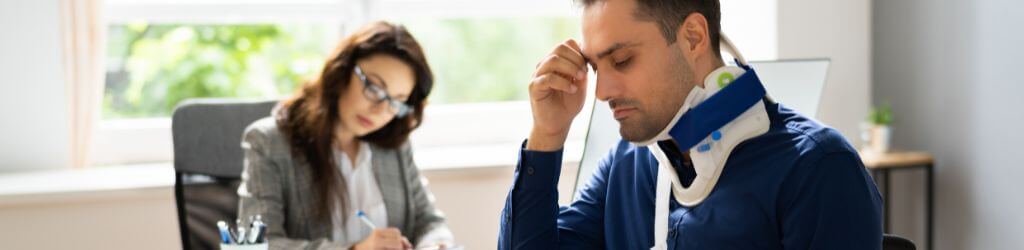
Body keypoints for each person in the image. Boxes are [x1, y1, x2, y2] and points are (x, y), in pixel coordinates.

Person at [498, 0, 883, 249]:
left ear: (694, 36)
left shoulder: (819, 169)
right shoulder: (627, 163)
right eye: (597, 67)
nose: (602, 92)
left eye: (623, 60)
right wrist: (547, 135)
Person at [238, 21, 453, 250]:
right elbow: (259, 244)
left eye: (395, 102)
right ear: (342, 71)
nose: (380, 110)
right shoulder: (268, 142)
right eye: (375, 88)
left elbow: (429, 221)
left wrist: (435, 244)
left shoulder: (394, 146)